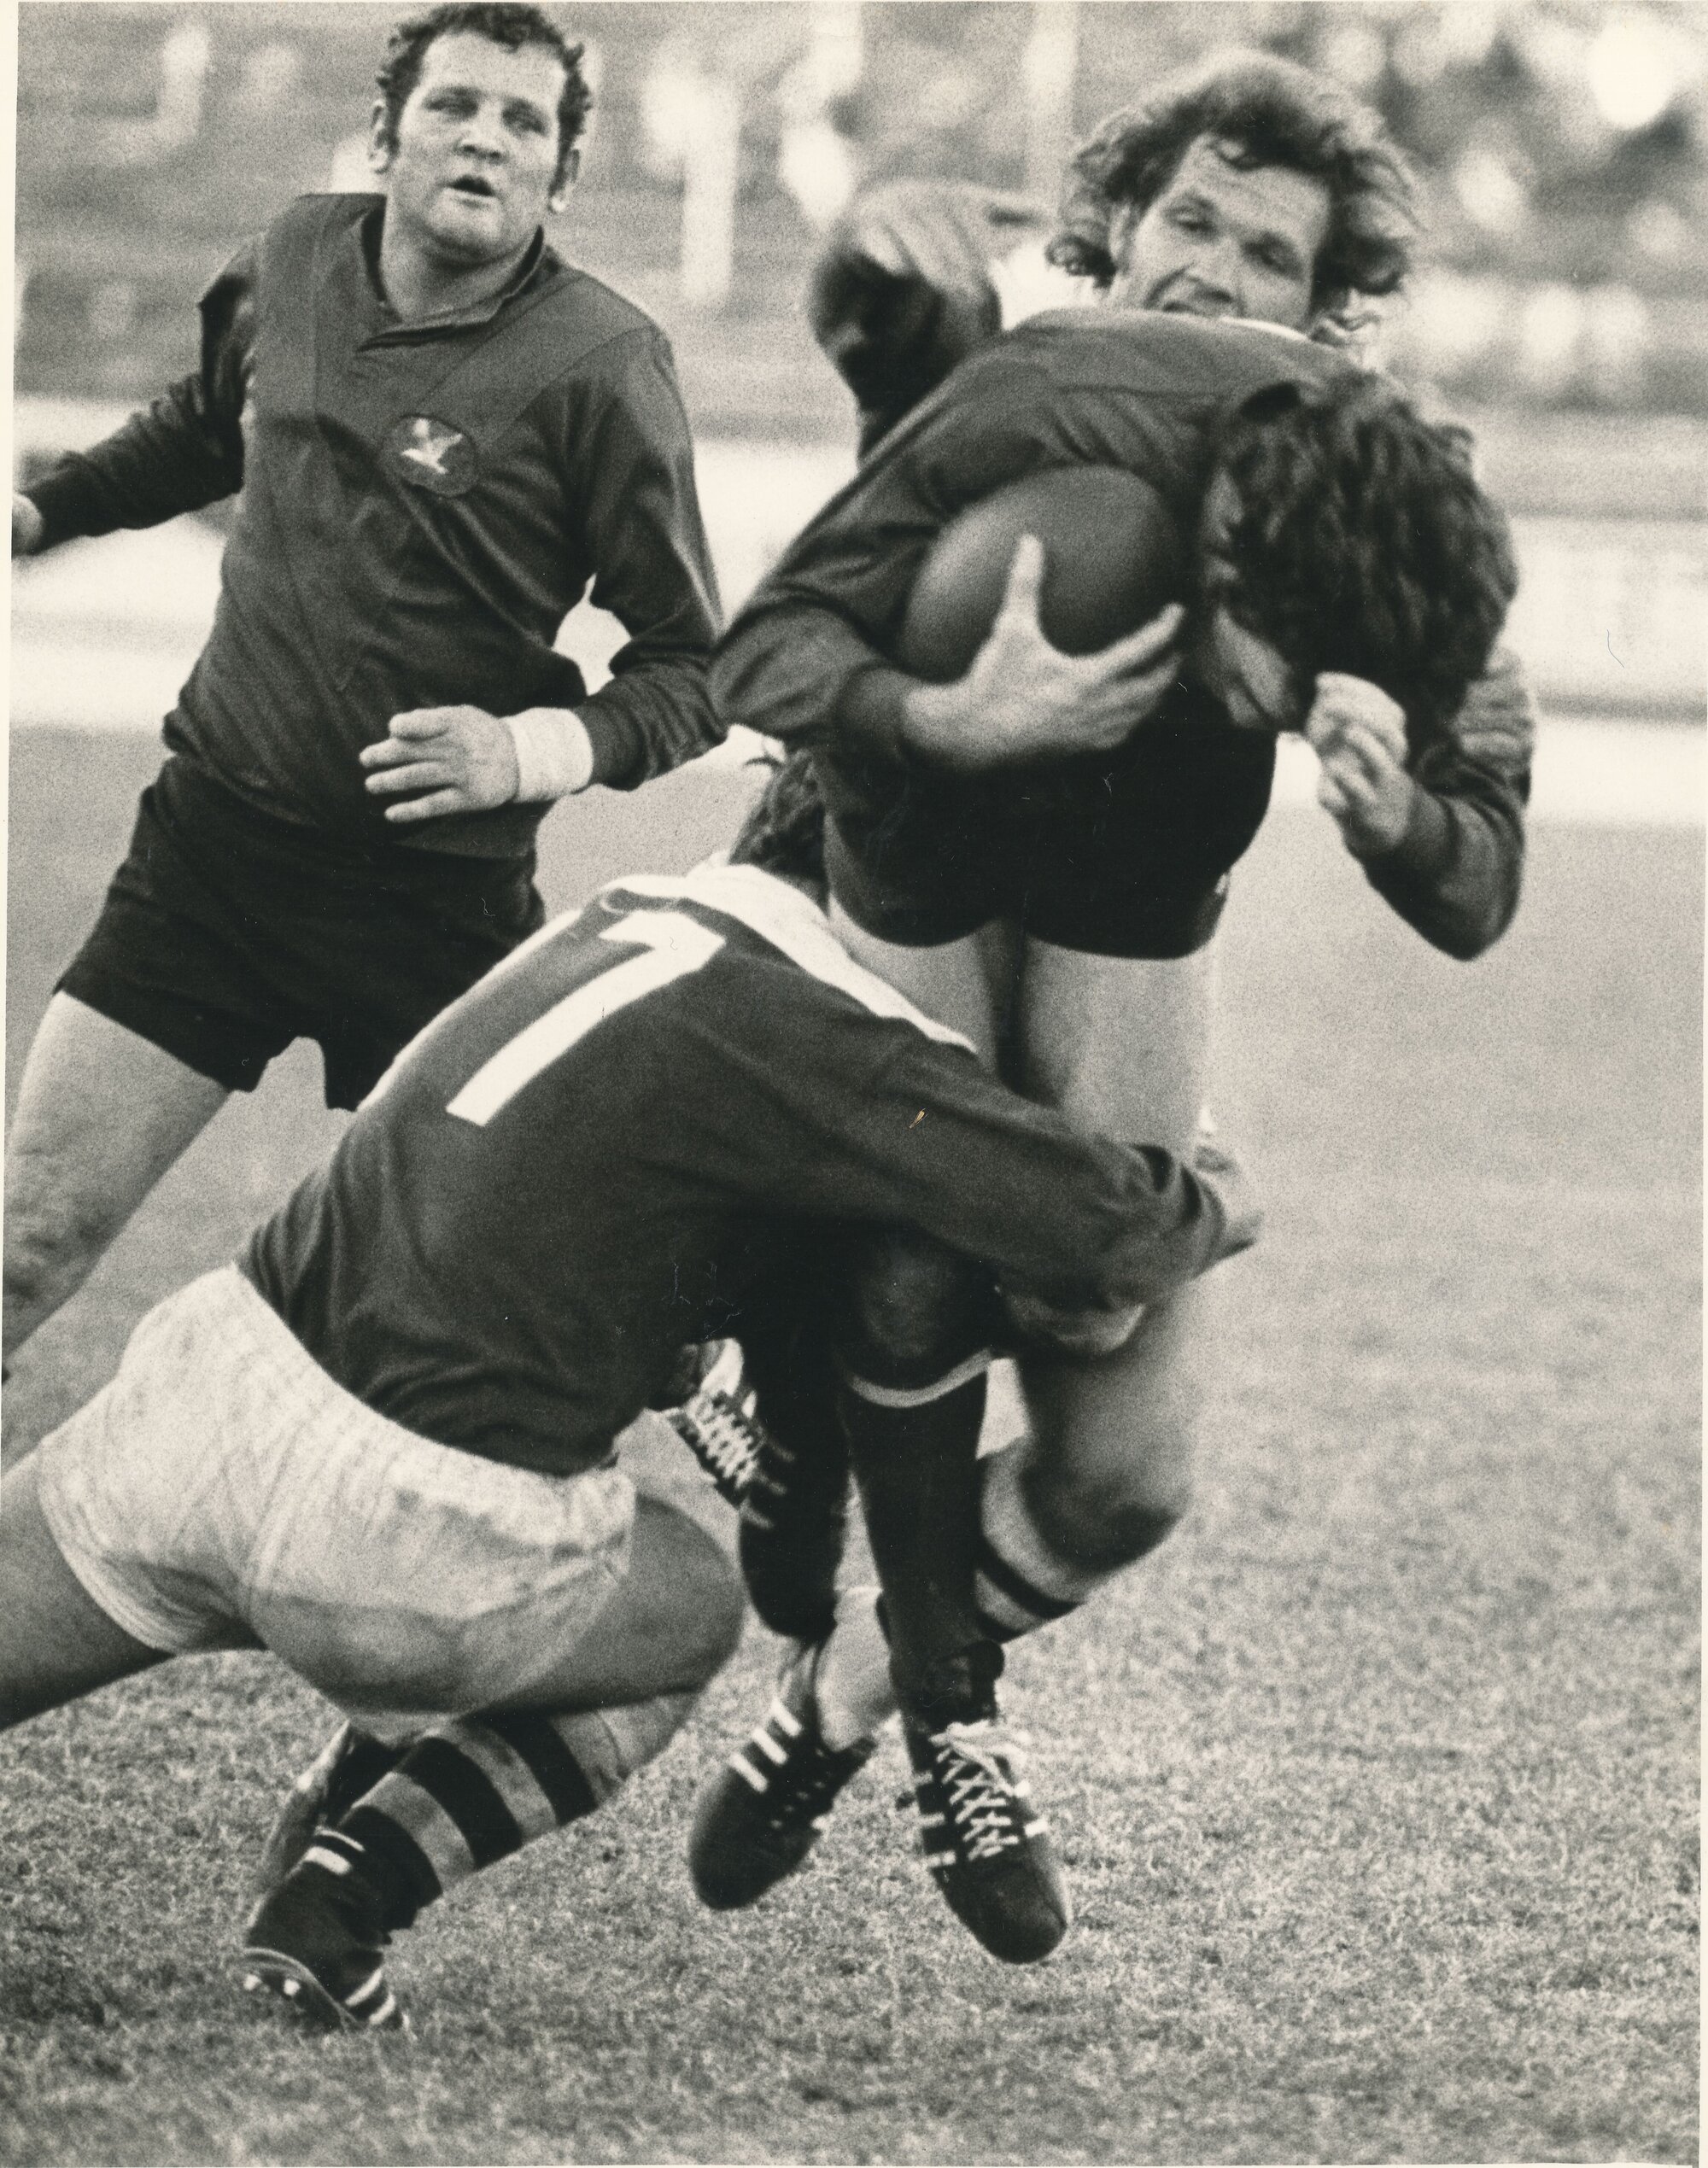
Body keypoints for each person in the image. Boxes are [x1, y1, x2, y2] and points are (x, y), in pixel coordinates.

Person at [691, 50, 1533, 1962]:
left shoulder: (1386, 480)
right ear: (1113, 232)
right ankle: (869, 1570)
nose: (1209, 272)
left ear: (1324, 321)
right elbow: (761, 643)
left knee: (1124, 1462)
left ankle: (848, 1698)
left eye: (1263, 254)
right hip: (877, 841)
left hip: (1127, 907)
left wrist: (1396, 809)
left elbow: (1485, 869)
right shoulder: (1037, 386)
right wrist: (943, 705)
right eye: (1186, 224)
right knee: (909, 1258)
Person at [0, 761, 1261, 2030]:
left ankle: (362, 1780)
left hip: (207, 1383)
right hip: (405, 1528)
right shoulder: (833, 1023)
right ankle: (350, 1886)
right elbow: (1104, 1245)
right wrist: (1218, 1191)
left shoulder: (628, 907)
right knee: (683, 1610)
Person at [4, 2, 723, 1372]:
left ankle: (725, 1381)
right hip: (209, 857)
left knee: (541, 1283)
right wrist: (45, 514)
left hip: (429, 905)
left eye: (526, 124)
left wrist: (524, 751)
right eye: (455, 105)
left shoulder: (603, 366)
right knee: (25, 1240)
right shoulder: (292, 252)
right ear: (388, 133)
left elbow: (695, 671)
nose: (485, 139)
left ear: (560, 178)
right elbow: (206, 429)